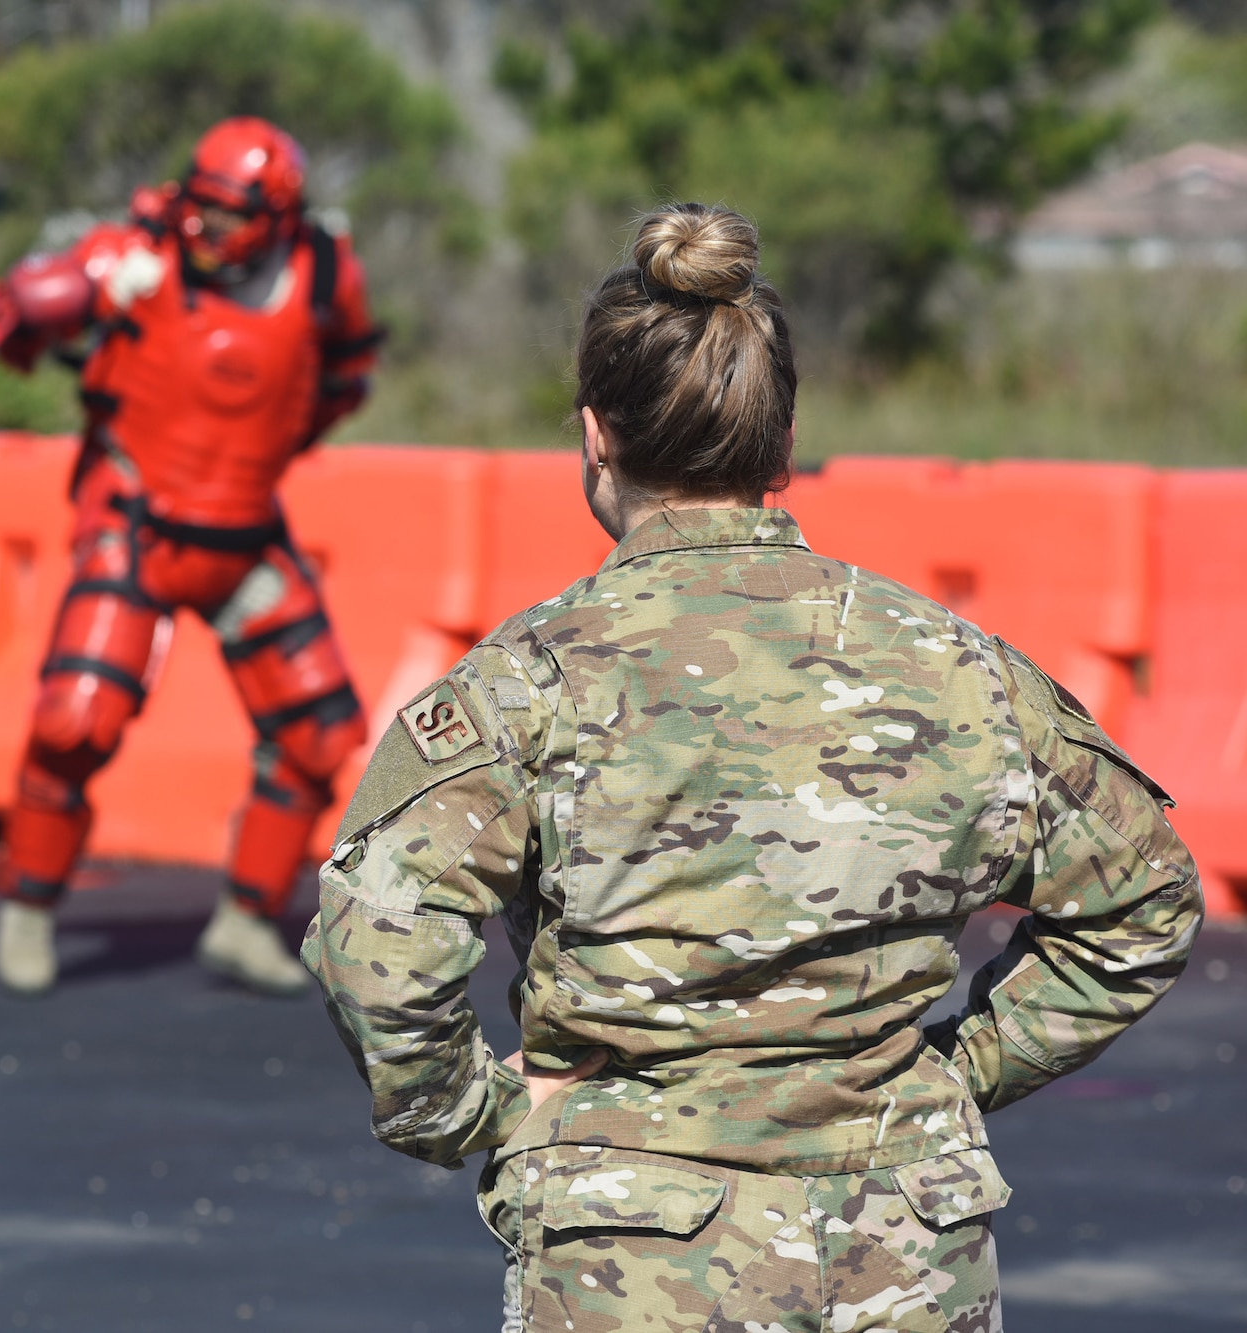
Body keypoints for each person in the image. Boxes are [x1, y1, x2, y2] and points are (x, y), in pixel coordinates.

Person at [304, 203, 1202, 1331]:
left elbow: (377, 940)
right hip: (904, 1251)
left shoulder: (526, 683)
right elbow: (1145, 901)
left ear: (594, 436)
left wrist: (483, 1117)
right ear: (780, 447)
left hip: (632, 1259)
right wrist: (958, 1070)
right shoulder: (954, 666)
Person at [0, 116, 383, 996]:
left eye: (228, 217)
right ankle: (27, 908)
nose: (205, 231)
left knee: (319, 735)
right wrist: (65, 298)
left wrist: (286, 438)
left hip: (243, 530)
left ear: (277, 216)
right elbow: (23, 312)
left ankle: (242, 920)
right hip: (137, 518)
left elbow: (349, 372)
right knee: (76, 717)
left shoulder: (325, 276)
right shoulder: (134, 255)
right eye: (198, 207)